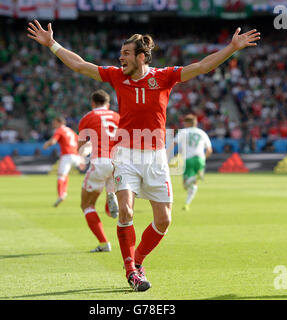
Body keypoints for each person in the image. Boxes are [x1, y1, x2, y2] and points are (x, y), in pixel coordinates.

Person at [27, 20, 260, 291]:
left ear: (140, 56)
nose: (120, 58)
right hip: (125, 151)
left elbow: (201, 67)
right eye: (121, 54)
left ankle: (137, 261)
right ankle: (130, 271)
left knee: (164, 220)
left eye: (125, 54)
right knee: (126, 210)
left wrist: (232, 48)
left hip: (156, 155)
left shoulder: (164, 76)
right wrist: (52, 44)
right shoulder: (116, 76)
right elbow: (80, 65)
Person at [78, 89, 120, 253]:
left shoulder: (88, 117)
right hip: (118, 163)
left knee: (87, 205)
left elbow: (81, 147)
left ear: (93, 103)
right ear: (108, 104)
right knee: (110, 189)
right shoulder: (117, 116)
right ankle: (111, 194)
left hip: (100, 162)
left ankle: (104, 243)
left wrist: (84, 154)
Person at [167, 114, 213, 211]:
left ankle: (191, 179)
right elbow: (209, 150)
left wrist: (166, 155)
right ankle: (187, 204)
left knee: (185, 185)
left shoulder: (183, 132)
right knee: (194, 184)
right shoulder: (202, 133)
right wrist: (204, 159)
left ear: (187, 123)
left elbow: (173, 144)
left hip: (188, 159)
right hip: (200, 159)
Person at [43, 116, 83, 207]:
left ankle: (61, 194)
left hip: (67, 155)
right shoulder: (70, 130)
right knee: (65, 174)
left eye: (54, 122)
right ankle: (64, 192)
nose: (53, 124)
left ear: (59, 122)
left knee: (60, 176)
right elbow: (79, 141)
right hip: (76, 156)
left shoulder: (59, 130)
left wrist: (46, 145)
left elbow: (53, 141)